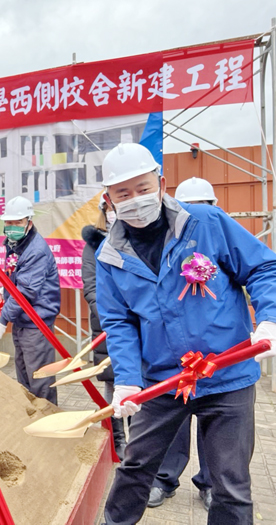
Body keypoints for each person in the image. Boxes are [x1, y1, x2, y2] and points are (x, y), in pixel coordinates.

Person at [96, 143, 276, 525]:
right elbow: (119, 322)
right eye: (123, 194)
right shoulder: (110, 256)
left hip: (227, 376)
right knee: (134, 469)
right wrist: (127, 380)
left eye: (143, 188)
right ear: (108, 199)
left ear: (161, 184)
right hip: (164, 380)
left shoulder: (206, 222)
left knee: (230, 483)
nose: (135, 200)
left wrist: (269, 318)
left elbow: (263, 268)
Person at [146, 176, 216, 510]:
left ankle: (211, 482)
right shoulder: (165, 242)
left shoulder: (222, 239)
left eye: (204, 208)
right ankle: (164, 479)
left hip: (218, 356)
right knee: (172, 423)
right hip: (175, 353)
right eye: (190, 209)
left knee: (214, 426)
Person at [0, 196, 61, 403]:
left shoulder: (36, 250)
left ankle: (48, 422)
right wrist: (5, 291)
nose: (12, 227)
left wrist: (3, 319)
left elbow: (26, 292)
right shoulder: (14, 244)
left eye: (17, 222)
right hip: (22, 319)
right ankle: (31, 419)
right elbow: (16, 278)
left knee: (40, 379)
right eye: (8, 223)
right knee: (23, 377)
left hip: (37, 322)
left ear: (29, 222)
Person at [81, 197, 127, 460]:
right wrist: (113, 317)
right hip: (106, 324)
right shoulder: (94, 244)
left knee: (138, 384)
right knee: (111, 380)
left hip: (140, 322)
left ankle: (140, 444)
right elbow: (91, 286)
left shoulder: (138, 238)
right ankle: (117, 439)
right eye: (110, 208)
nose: (114, 213)